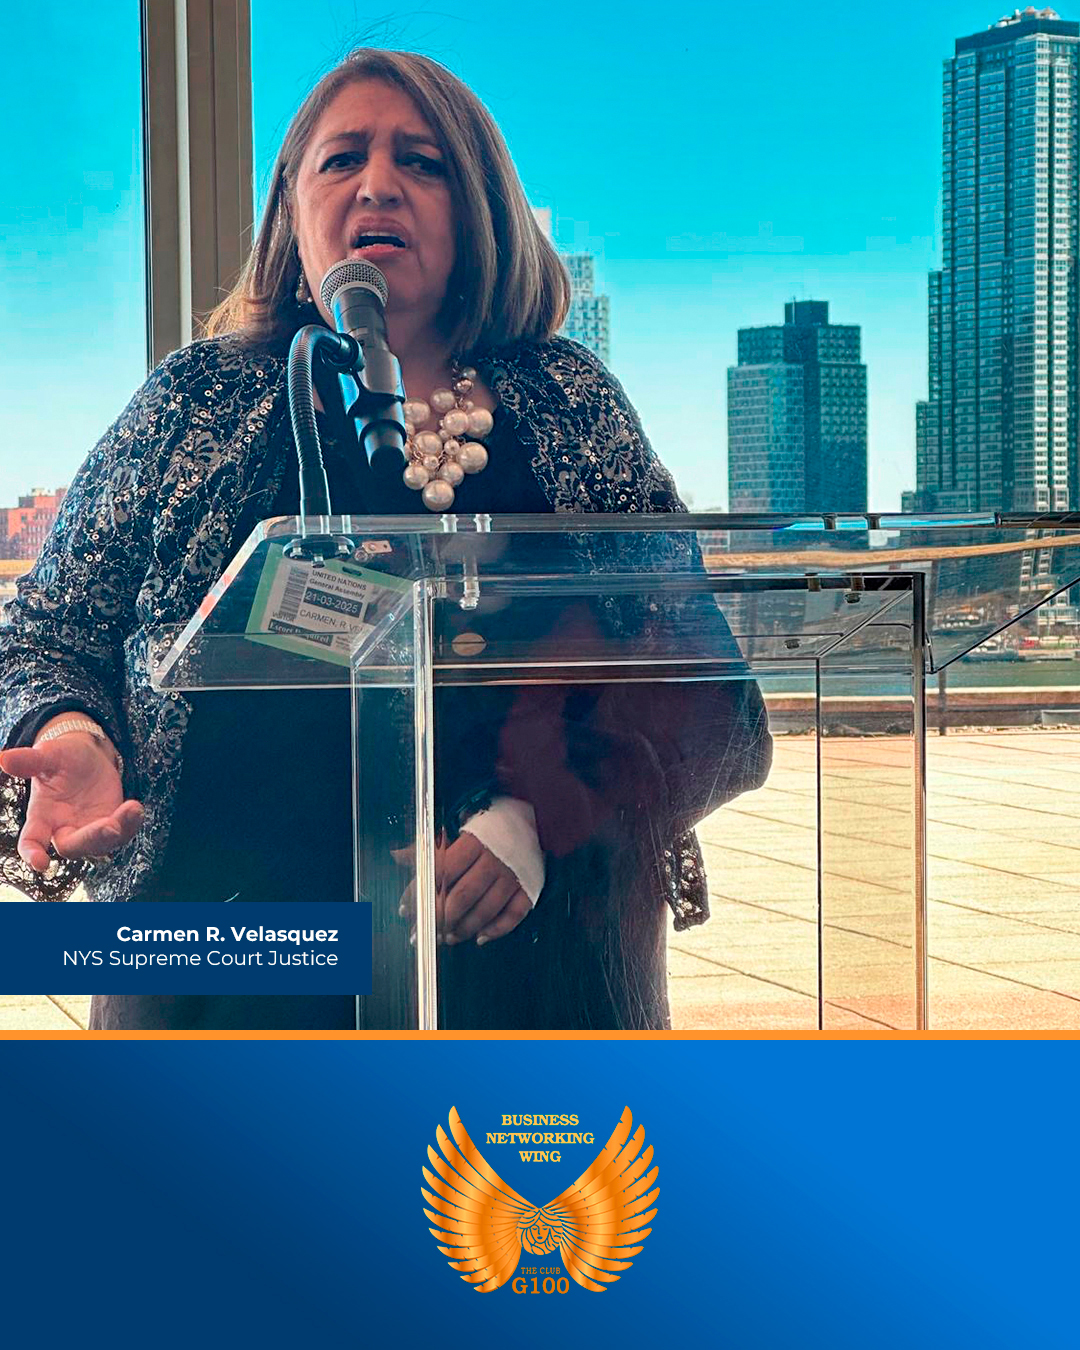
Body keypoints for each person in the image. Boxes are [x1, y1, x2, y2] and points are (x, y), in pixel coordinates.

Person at [0, 48, 772, 1031]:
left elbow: (706, 695)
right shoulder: (192, 401)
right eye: (342, 160)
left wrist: (538, 816)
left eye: (421, 161)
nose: (377, 185)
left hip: (535, 983)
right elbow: (48, 631)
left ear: (478, 207)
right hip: (223, 977)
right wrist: (71, 734)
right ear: (292, 212)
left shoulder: (574, 404)